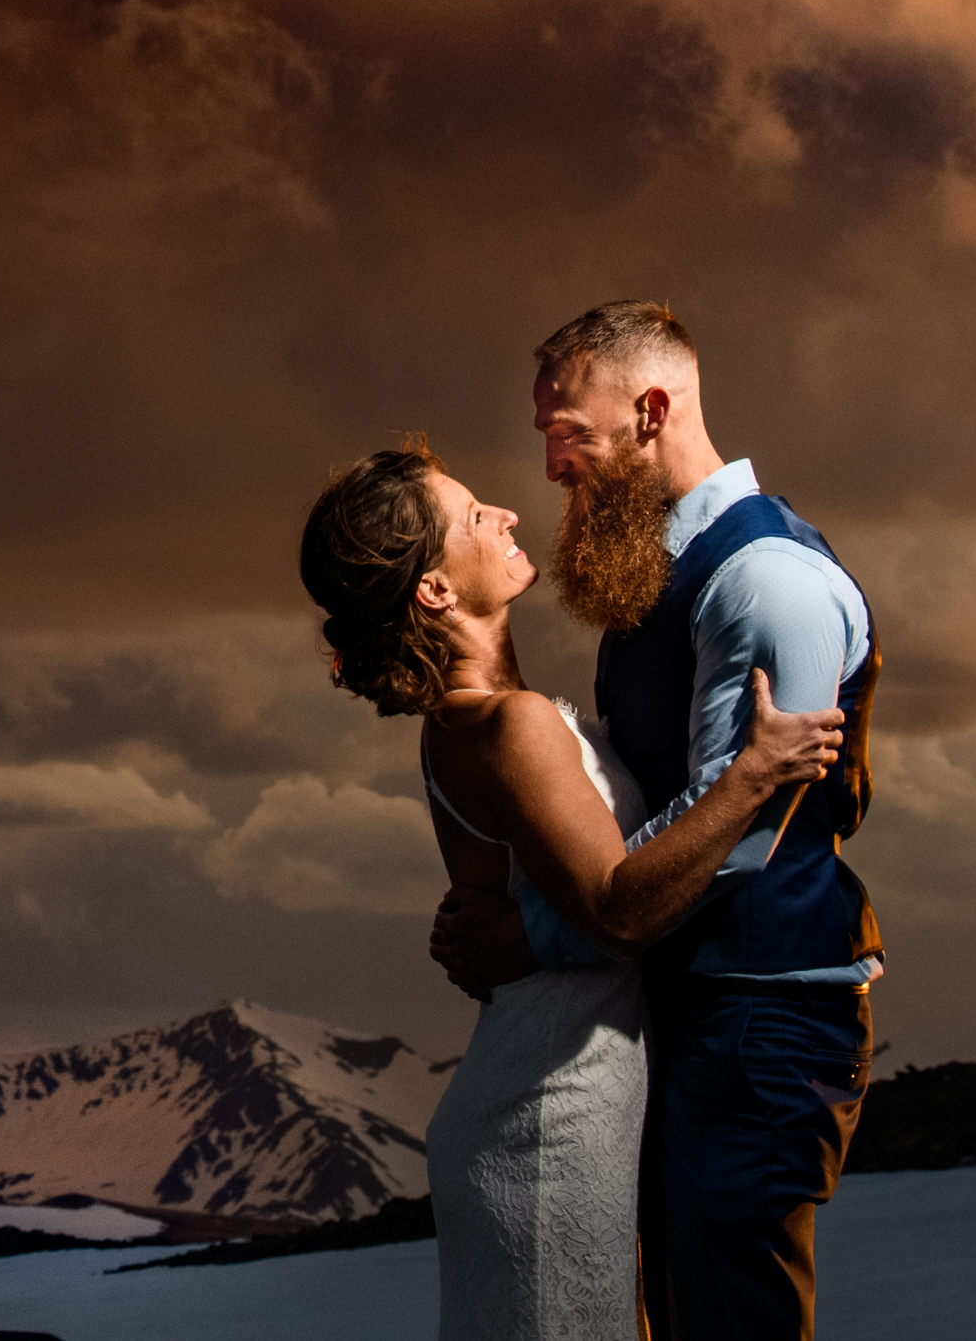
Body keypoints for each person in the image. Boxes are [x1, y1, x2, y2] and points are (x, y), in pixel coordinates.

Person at [302, 436, 844, 1340]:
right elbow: (621, 909)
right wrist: (751, 775)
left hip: (548, 1095)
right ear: (434, 589)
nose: (508, 513)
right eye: (475, 515)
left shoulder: (471, 721)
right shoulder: (509, 724)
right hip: (550, 1119)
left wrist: (519, 938)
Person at [431, 302, 882, 1341]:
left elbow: (735, 843)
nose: (549, 469)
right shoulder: (664, 575)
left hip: (758, 1014)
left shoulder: (764, 579)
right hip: (697, 1007)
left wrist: (530, 940)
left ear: (648, 411)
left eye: (569, 436)